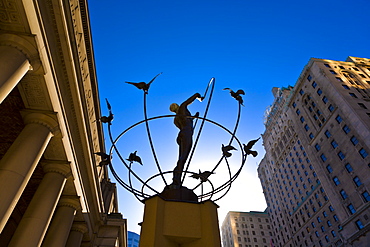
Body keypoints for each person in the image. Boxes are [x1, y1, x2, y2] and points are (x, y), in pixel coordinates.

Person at [169, 93, 202, 186]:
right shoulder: (182, 107)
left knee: (181, 158)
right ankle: (176, 178)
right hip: (186, 134)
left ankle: (176, 177)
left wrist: (194, 118)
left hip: (181, 136)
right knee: (183, 158)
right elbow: (194, 95)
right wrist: (199, 97)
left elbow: (186, 121)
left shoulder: (175, 120)